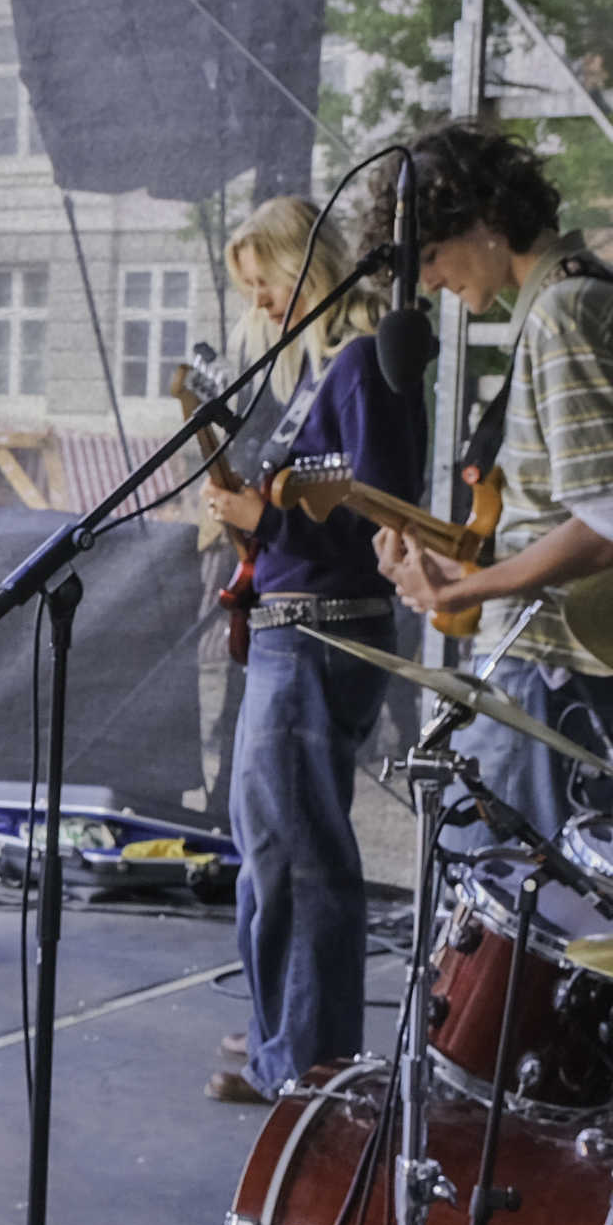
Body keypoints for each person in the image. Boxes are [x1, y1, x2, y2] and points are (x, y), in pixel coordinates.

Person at [374, 122, 613, 854]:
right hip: (555, 660)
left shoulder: (567, 314)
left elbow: (612, 522)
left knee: (507, 906)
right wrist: (469, 571)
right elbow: (568, 511)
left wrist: (466, 593)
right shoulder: (572, 299)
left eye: (432, 255)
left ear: (489, 219)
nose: (429, 281)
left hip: (553, 665)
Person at [201, 194, 418, 1105]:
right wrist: (269, 507)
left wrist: (269, 512)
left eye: (266, 285)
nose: (258, 306)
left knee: (295, 849)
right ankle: (283, 1032)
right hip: (298, 622)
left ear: (306, 274)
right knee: (275, 844)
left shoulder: (361, 365)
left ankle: (305, 1060)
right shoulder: (325, 373)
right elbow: (328, 482)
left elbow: (376, 492)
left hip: (323, 629)